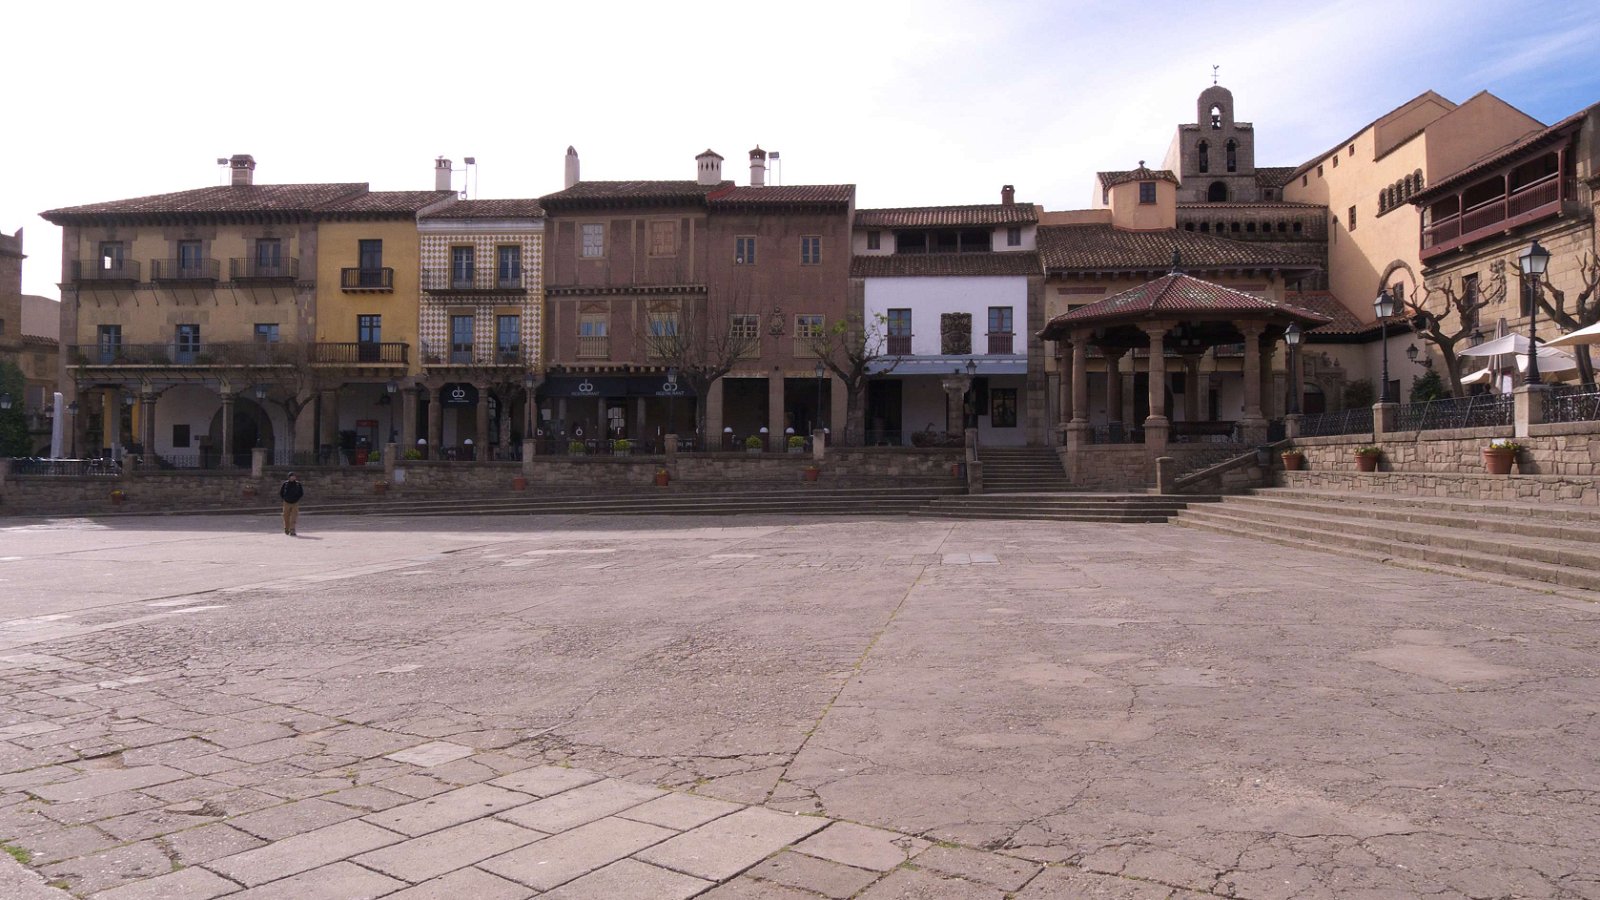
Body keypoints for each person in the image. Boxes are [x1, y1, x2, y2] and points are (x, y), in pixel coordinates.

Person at [279, 472, 304, 536]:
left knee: (294, 517)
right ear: (289, 477)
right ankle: (286, 528)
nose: (293, 477)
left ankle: (292, 530)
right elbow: (281, 492)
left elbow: (301, 493)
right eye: (291, 476)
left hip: (295, 502)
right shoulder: (285, 483)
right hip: (286, 502)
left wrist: (297, 498)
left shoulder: (298, 484)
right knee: (286, 516)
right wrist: (284, 498)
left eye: (294, 476)